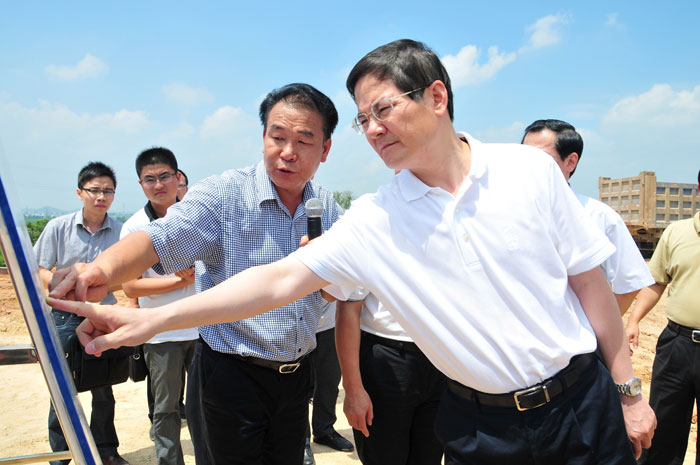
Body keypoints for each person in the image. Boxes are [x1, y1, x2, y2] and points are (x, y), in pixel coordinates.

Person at [48, 40, 656, 465]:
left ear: (437, 97)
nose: (374, 129)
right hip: (478, 427)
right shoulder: (374, 218)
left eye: (383, 109)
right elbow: (273, 279)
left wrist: (628, 392)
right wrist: (145, 315)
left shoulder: (529, 171)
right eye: (365, 119)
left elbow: (590, 285)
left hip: (582, 404)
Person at [50, 82, 341, 465]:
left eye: (303, 141)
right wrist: (101, 269)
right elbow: (156, 240)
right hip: (233, 375)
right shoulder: (224, 195)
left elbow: (331, 292)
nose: (287, 152)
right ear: (262, 138)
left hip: (297, 376)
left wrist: (325, 274)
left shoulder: (326, 207)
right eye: (277, 137)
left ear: (325, 149)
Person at [33, 161, 128, 465]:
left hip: (102, 315)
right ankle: (62, 456)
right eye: (94, 190)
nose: (101, 196)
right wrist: (63, 290)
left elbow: (128, 276)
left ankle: (106, 451)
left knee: (104, 386)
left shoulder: (122, 232)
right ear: (79, 192)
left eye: (108, 191)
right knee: (62, 387)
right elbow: (39, 268)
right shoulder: (58, 227)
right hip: (63, 316)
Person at [522, 119, 654, 315]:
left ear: (571, 162)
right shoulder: (506, 212)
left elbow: (629, 281)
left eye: (540, 158)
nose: (527, 165)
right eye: (522, 157)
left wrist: (598, 328)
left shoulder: (599, 217)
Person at [120, 147, 198, 465]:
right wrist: (178, 281)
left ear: (178, 177)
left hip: (205, 328)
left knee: (208, 403)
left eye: (165, 176)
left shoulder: (197, 215)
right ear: (141, 184)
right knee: (166, 409)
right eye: (149, 179)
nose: (158, 184)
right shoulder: (134, 227)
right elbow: (130, 286)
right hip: (162, 333)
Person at [625, 169, 700, 465]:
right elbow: (657, 282)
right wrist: (634, 320)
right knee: (662, 430)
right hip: (677, 345)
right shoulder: (676, 233)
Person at [336, 292, 445, 465]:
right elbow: (349, 307)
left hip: (442, 361)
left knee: (429, 457)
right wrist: (352, 389)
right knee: (384, 457)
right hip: (387, 358)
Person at [306, 299, 354, 462]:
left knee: (330, 380)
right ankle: (302, 440)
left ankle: (324, 430)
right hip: (299, 324)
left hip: (331, 322)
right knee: (299, 385)